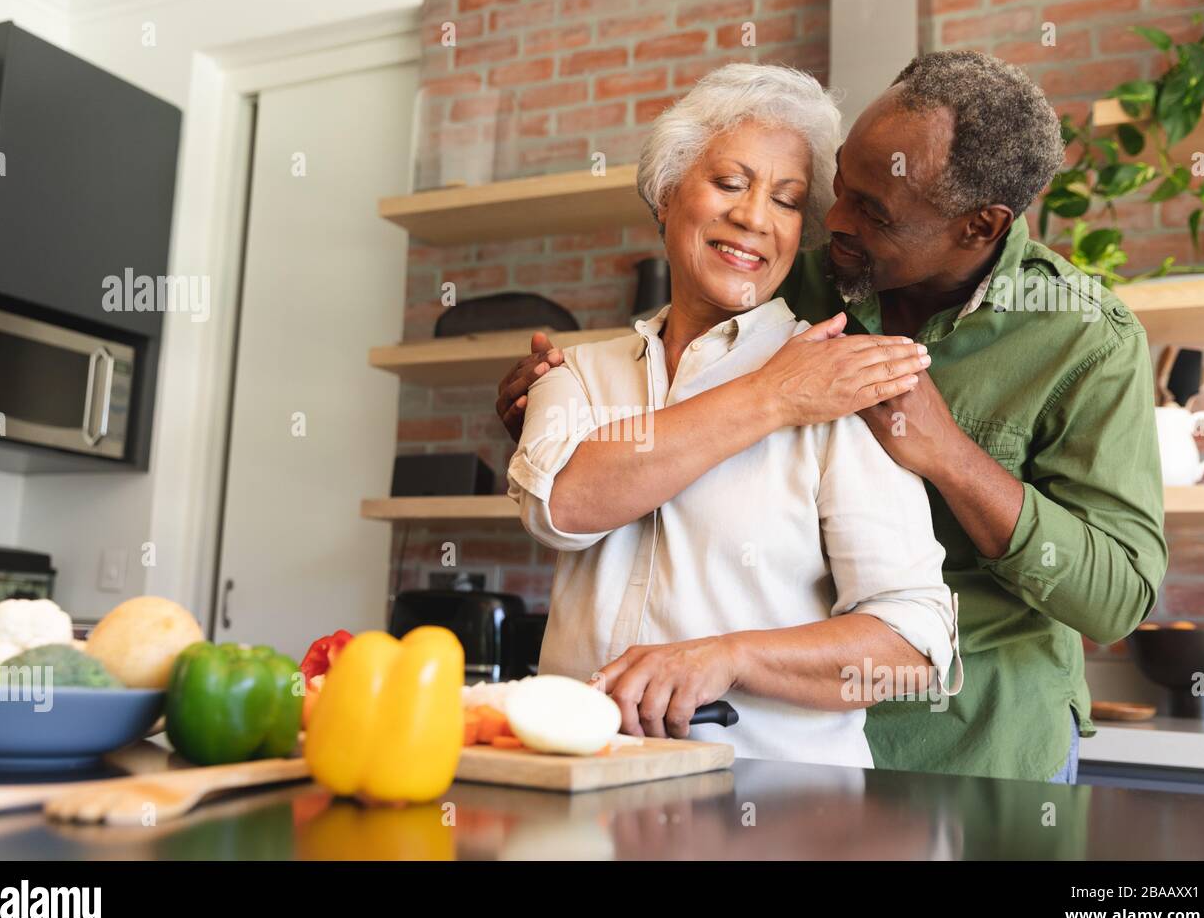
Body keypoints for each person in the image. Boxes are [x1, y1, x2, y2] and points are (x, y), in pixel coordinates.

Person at [497, 51, 1168, 783]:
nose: (830, 219)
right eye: (838, 186)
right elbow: (627, 450)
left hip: (980, 737)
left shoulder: (1084, 337)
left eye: (872, 212)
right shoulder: (795, 280)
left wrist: (947, 453)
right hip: (770, 738)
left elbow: (1117, 598)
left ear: (979, 227)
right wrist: (555, 428)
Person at [507, 63, 959, 768]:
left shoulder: (841, 386)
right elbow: (562, 504)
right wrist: (771, 397)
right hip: (583, 790)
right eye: (728, 183)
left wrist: (731, 658)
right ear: (665, 193)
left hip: (783, 810)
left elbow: (914, 648)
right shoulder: (579, 373)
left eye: (786, 201)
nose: (753, 217)